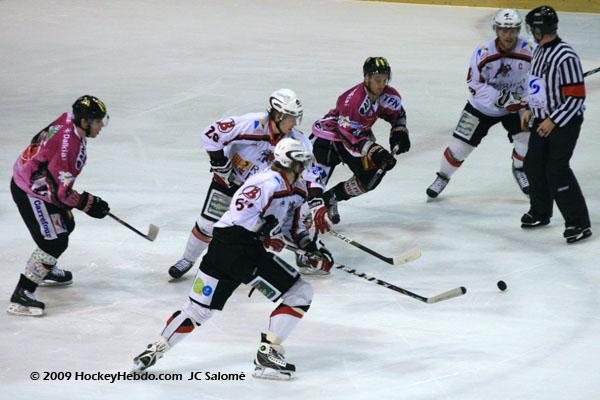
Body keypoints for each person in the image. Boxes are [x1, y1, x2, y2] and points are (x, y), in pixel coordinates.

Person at [133, 138, 333, 380]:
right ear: (292, 163)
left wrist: (309, 248)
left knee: (198, 310)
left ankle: (156, 348)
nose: (307, 167)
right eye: (303, 162)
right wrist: (265, 230)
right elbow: (240, 215)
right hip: (241, 250)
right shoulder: (265, 182)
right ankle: (268, 351)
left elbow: (292, 229)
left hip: (223, 251)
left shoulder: (298, 191)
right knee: (300, 293)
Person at [168, 89, 319, 279]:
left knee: (293, 216)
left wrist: (315, 200)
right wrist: (219, 162)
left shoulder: (297, 141)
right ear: (278, 114)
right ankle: (188, 259)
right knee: (208, 224)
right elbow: (211, 134)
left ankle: (302, 250)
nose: (294, 123)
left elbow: (310, 174)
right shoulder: (251, 124)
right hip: (231, 183)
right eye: (291, 117)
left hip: (264, 192)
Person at [8, 95, 111, 317]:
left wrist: (82, 202)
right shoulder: (69, 149)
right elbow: (61, 194)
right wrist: (87, 203)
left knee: (65, 223)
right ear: (84, 121)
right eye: (97, 121)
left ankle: (44, 269)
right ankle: (22, 293)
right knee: (54, 241)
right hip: (30, 190)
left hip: (34, 181)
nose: (101, 125)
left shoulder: (68, 120)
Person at [426, 9, 534, 199]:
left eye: (512, 30)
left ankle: (519, 168)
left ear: (518, 30)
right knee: (458, 149)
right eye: (504, 30)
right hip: (480, 107)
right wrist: (500, 98)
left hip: (516, 106)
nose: (508, 35)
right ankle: (442, 176)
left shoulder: (529, 49)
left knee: (527, 140)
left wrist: (530, 98)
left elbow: (539, 75)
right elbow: (474, 84)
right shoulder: (483, 52)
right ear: (496, 30)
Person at [307, 56, 410, 235]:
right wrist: (375, 151)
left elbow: (398, 114)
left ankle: (330, 198)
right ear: (366, 78)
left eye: (384, 79)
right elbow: (348, 135)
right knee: (309, 192)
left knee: (372, 176)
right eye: (377, 79)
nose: (381, 84)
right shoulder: (353, 100)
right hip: (327, 141)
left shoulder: (388, 95)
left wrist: (399, 131)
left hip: (355, 138)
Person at [520, 6, 591, 243]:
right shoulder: (539, 51)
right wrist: (528, 108)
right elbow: (536, 86)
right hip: (542, 120)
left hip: (565, 121)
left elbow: (576, 97)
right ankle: (541, 212)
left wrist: (553, 120)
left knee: (557, 170)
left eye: (533, 28)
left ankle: (578, 223)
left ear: (540, 29)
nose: (531, 32)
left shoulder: (565, 56)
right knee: (532, 165)